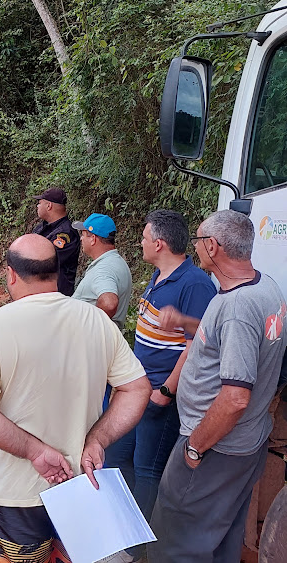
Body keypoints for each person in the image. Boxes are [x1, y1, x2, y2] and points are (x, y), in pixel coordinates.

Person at [0, 233, 151, 563]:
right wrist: (97, 440)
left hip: (19, 496)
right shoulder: (96, 321)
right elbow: (137, 388)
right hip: (81, 488)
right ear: (57, 271)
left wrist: (35, 451)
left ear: (11, 274)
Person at [148, 210, 286, 563]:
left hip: (216, 447)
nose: (194, 248)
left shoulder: (237, 306)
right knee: (221, 536)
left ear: (212, 246)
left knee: (176, 541)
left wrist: (195, 448)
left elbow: (236, 398)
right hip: (246, 443)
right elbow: (233, 334)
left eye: (198, 241)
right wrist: (186, 321)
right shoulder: (265, 287)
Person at [104, 210, 217, 563]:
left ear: (159, 243)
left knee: (147, 469)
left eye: (143, 237)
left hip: (160, 395)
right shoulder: (160, 275)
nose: (140, 242)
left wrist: (166, 391)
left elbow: (197, 344)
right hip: (138, 389)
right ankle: (117, 529)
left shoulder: (194, 284)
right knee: (117, 457)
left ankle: (134, 549)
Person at [72, 213, 132, 330]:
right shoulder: (116, 262)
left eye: (83, 234)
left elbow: (109, 304)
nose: (81, 239)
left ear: (93, 239)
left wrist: (92, 328)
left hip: (93, 338)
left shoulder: (104, 269)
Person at [31, 187, 80, 295]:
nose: (37, 206)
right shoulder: (42, 227)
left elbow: (46, 261)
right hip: (40, 291)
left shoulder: (66, 234)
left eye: (39, 203)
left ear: (49, 206)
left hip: (57, 295)